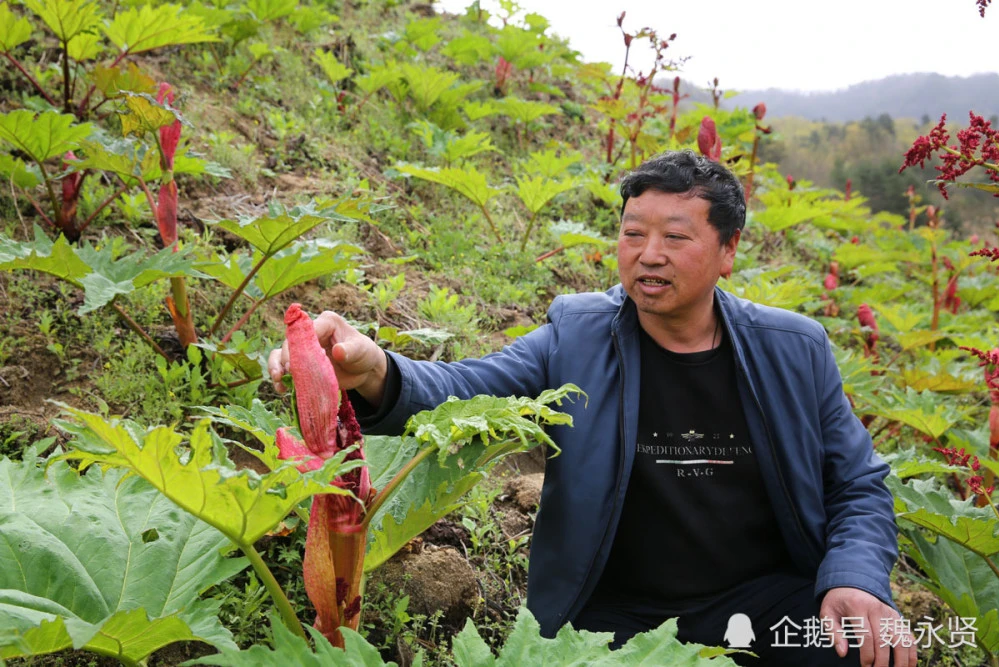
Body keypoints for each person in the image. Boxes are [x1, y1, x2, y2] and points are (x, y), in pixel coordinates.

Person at [269, 150, 915, 667]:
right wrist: (373, 368)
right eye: (633, 233)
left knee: (858, 641)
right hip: (613, 616)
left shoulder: (794, 349)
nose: (648, 253)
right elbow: (466, 387)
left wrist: (854, 578)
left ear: (729, 249)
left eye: (675, 236)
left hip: (760, 601)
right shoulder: (577, 333)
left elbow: (857, 483)